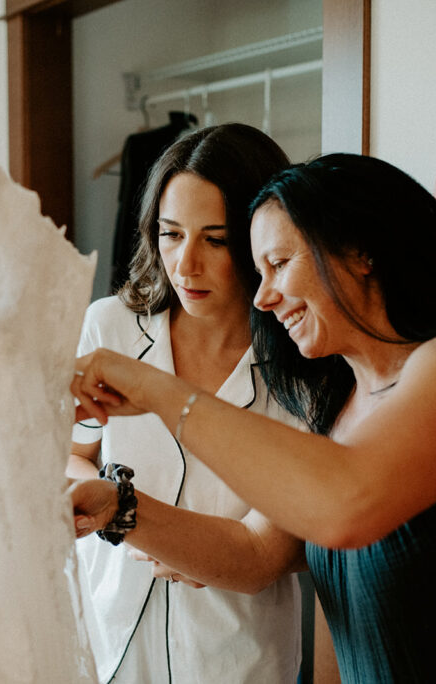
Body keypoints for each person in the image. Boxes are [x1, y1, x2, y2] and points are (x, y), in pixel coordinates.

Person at [70, 153, 436, 683]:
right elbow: (280, 568)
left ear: (361, 253)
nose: (262, 298)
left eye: (279, 264)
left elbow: (346, 505)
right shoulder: (343, 404)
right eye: (258, 272)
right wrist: (116, 507)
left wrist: (161, 393)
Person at [68, 123, 305, 684]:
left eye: (215, 240)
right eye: (171, 234)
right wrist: (97, 499)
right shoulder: (110, 327)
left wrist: (183, 540)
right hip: (110, 634)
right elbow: (73, 452)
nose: (185, 264)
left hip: (236, 655)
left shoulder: (302, 360)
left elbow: (268, 553)